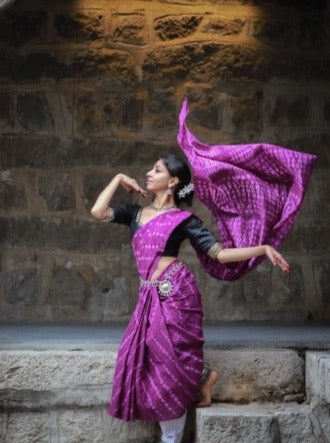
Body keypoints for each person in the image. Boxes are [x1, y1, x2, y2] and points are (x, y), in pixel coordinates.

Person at [91, 153, 291, 443]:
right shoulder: (135, 213)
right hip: (148, 294)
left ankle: (171, 438)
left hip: (176, 295)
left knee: (171, 361)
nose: (148, 173)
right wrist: (118, 178)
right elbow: (98, 211)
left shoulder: (184, 220)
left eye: (156, 170)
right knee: (149, 359)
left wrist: (262, 249)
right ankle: (201, 382)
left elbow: (219, 254)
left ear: (172, 181)